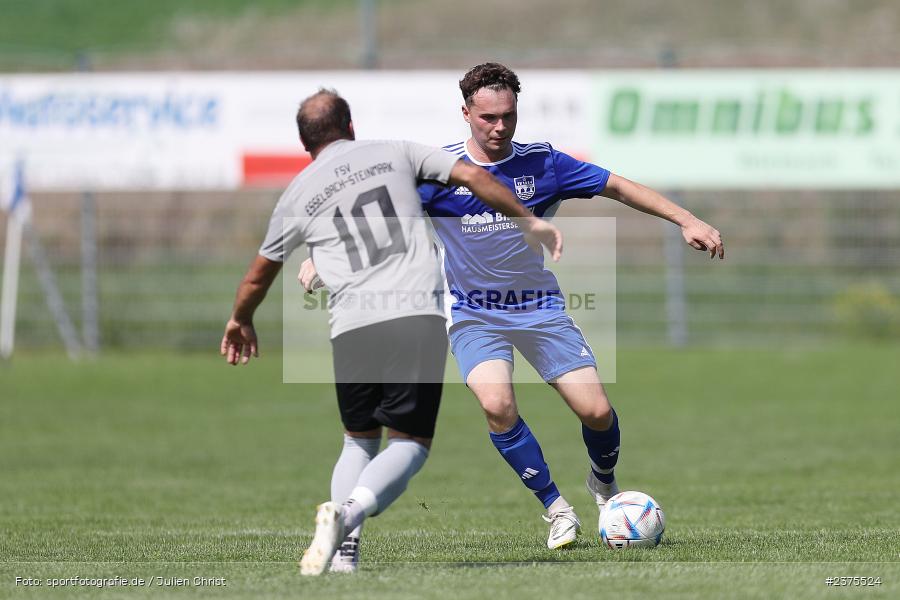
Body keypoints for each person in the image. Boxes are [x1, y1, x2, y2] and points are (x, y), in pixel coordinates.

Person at [302, 63, 725, 551]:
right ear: (466, 114)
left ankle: (603, 483)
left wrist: (686, 219)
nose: (499, 127)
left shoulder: (542, 164)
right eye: (487, 118)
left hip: (540, 308)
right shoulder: (439, 172)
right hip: (472, 313)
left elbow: (617, 186)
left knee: (597, 412)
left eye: (507, 115)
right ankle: (556, 508)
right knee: (497, 404)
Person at [220, 88, 563, 576]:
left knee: (357, 441)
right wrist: (528, 220)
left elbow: (260, 272)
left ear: (305, 143)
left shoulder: (298, 190)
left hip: (351, 327)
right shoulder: (394, 150)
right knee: (408, 444)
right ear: (351, 126)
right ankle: (347, 516)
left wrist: (240, 319)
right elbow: (471, 175)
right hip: (413, 317)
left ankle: (343, 556)